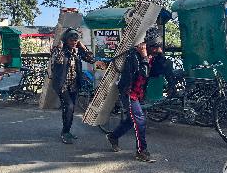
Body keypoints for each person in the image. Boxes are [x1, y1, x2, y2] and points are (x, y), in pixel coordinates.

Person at [106, 27, 166, 163]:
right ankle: (141, 151)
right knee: (140, 120)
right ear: (148, 46)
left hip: (139, 92)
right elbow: (143, 73)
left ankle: (113, 136)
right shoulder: (134, 55)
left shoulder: (152, 55)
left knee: (131, 120)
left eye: (159, 47)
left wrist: (160, 55)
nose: (157, 50)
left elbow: (158, 71)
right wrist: (144, 56)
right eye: (155, 47)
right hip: (128, 92)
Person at [51, 28, 105, 144]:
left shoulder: (77, 51)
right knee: (69, 106)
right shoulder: (60, 51)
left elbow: (91, 59)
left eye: (76, 40)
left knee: (71, 108)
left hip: (74, 84)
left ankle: (67, 131)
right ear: (66, 40)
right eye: (71, 40)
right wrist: (60, 45)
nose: (74, 42)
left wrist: (82, 46)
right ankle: (65, 132)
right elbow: (58, 60)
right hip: (62, 84)